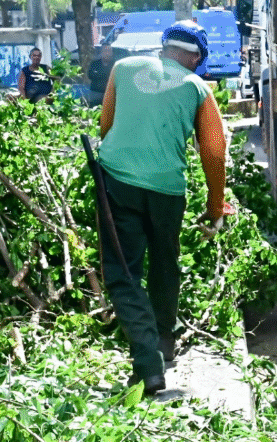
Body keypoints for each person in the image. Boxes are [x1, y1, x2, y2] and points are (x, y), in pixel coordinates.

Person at [97, 20, 227, 395]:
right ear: (195, 57)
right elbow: (214, 150)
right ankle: (163, 344)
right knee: (165, 262)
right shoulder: (197, 87)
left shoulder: (123, 68)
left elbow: (106, 125)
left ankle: (148, 363)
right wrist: (215, 204)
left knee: (123, 273)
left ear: (164, 46)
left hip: (117, 182)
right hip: (168, 191)